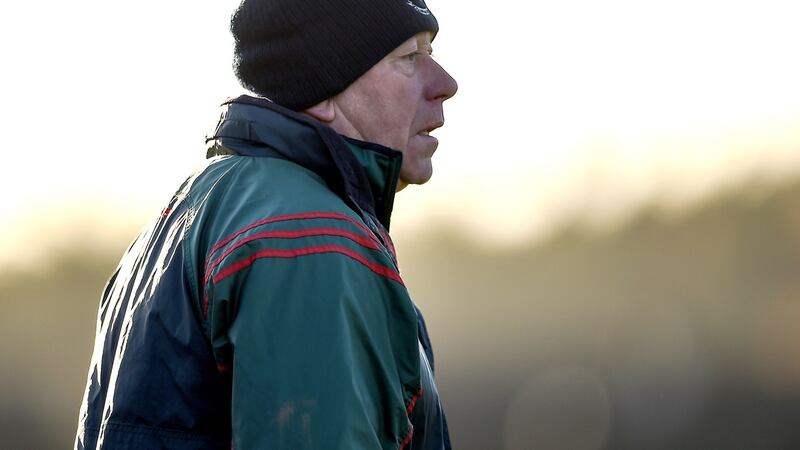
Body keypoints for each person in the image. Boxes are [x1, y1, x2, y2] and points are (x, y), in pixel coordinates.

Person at [74, 0, 457, 448]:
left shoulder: (192, 208)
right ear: (324, 89)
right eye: (409, 57)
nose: (445, 84)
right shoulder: (308, 238)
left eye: (430, 52)